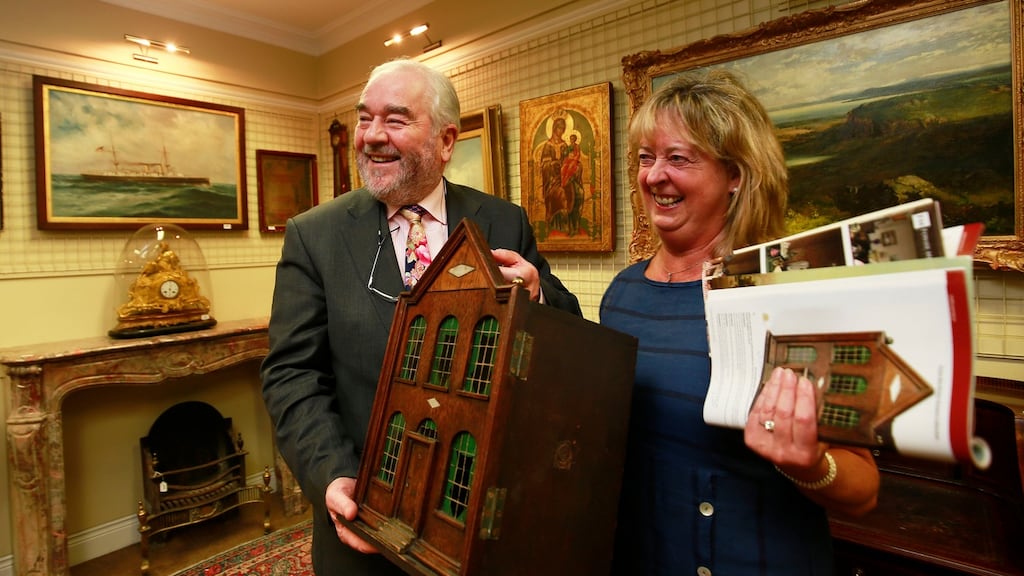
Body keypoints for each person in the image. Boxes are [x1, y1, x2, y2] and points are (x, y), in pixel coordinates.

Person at [261, 58, 582, 576]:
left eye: (395, 119)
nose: (372, 136)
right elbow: (291, 375)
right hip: (368, 528)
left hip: (486, 521)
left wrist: (538, 295)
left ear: (446, 140)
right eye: (365, 118)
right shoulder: (315, 235)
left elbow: (566, 334)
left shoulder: (504, 220)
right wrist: (334, 476)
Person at [599, 69, 880, 575]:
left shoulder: (789, 293)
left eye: (678, 158)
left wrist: (810, 465)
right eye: (645, 157)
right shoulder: (622, 294)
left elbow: (863, 490)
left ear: (735, 176)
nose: (654, 175)